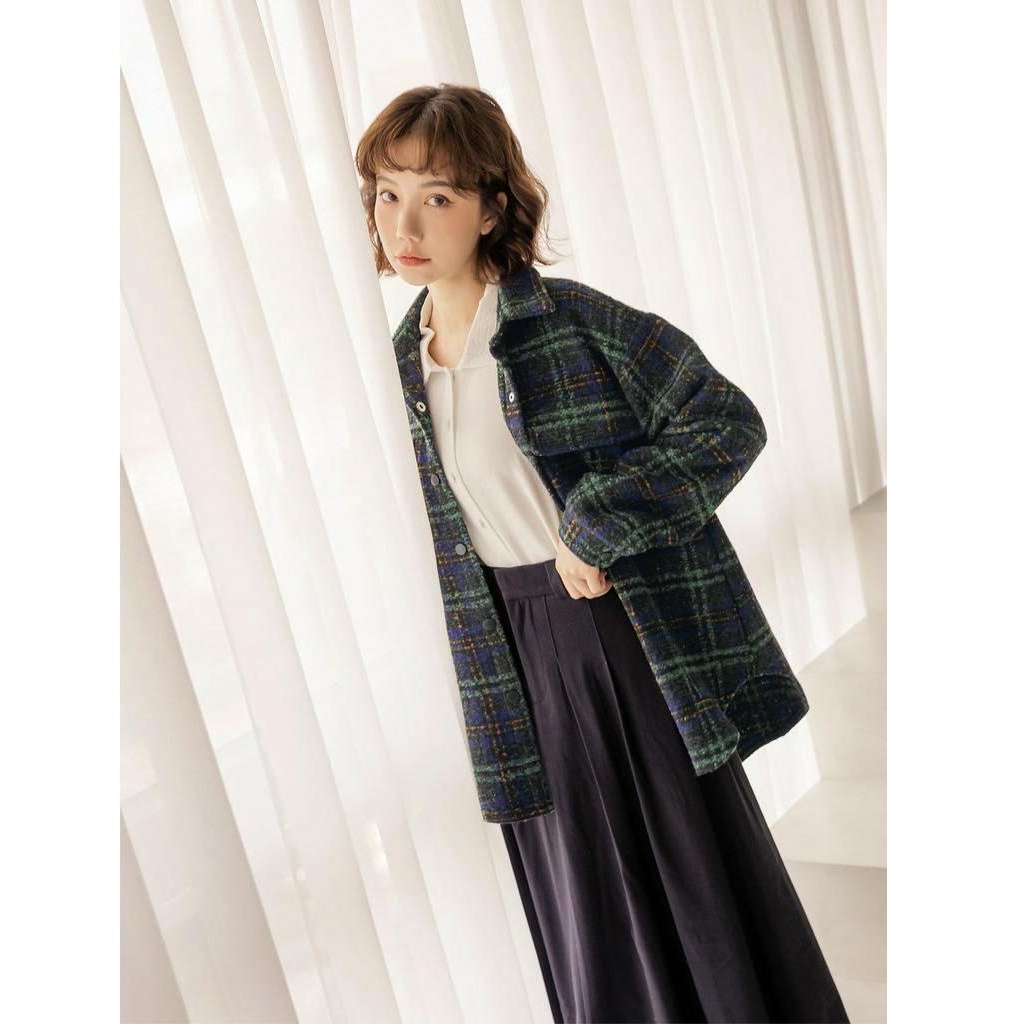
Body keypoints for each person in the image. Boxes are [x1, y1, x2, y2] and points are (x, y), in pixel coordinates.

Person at [356, 84, 850, 1024]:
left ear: (491, 208)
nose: (403, 225)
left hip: (620, 634)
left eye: (437, 196)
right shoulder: (399, 364)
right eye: (387, 194)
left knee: (688, 866)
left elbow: (725, 419)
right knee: (578, 887)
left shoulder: (572, 322)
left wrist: (598, 522)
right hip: (507, 655)